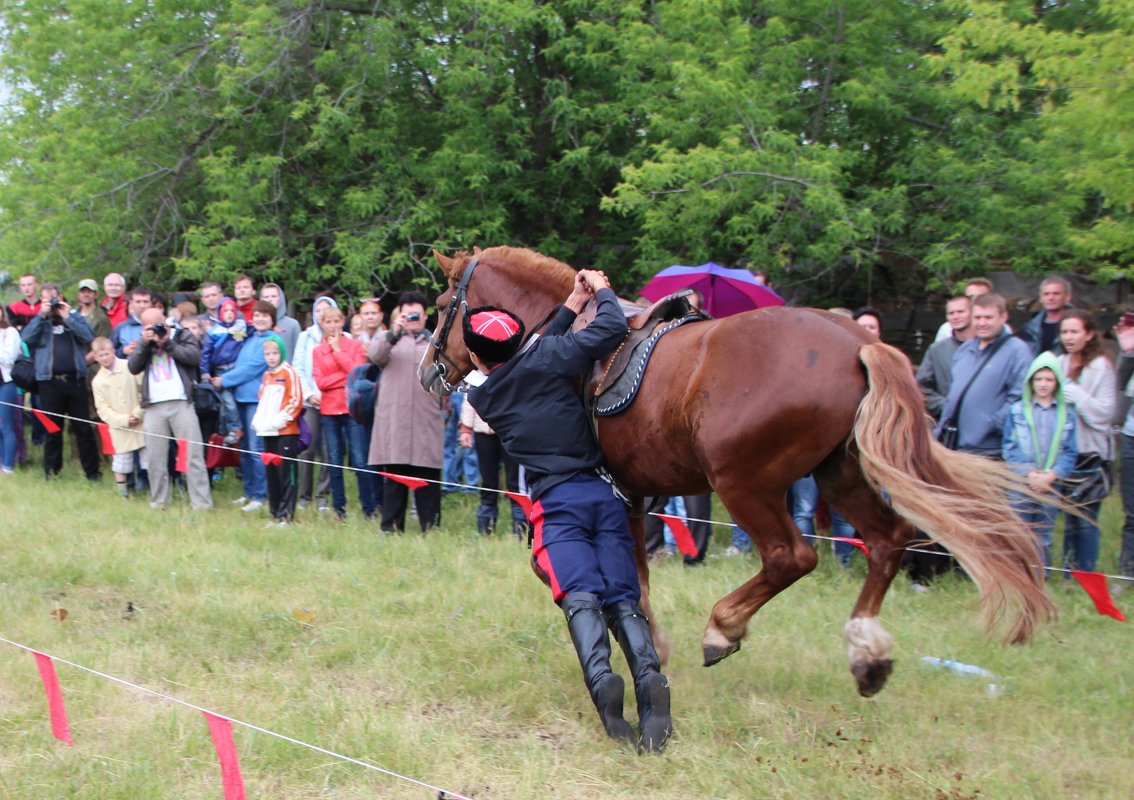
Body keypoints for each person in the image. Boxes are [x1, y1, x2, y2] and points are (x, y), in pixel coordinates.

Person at [463, 268, 671, 753]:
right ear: (523, 341)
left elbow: (529, 354)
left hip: (557, 506)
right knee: (622, 595)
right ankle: (649, 678)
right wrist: (600, 292)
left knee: (579, 593)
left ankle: (603, 684)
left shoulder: (484, 395)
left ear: (475, 356)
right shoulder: (550, 359)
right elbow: (610, 331)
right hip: (604, 496)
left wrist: (571, 306)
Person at [368, 291, 444, 532]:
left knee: (427, 480)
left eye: (416, 314)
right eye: (406, 313)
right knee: (395, 479)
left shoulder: (435, 342)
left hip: (426, 420)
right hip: (395, 422)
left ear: (425, 314)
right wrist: (394, 331)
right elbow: (374, 355)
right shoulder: (389, 339)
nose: (411, 318)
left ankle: (430, 529)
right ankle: (390, 528)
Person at [128, 308, 212, 510]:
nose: (153, 330)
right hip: (154, 406)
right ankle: (159, 502)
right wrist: (144, 345)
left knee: (193, 455)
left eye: (156, 325)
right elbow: (133, 367)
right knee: (155, 458)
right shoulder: (144, 344)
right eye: (147, 327)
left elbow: (193, 358)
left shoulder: (182, 335)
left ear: (165, 321)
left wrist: (166, 342)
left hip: (182, 402)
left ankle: (201, 503)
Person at [1002, 353, 1078, 567]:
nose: (1043, 384)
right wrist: (1029, 474)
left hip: (1051, 484)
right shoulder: (1017, 411)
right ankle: (1018, 572)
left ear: (1057, 383)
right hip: (1021, 483)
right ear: (1030, 382)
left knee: (1043, 532)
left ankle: (1039, 574)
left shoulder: (1067, 413)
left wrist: (1052, 475)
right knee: (1019, 529)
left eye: (1049, 379)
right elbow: (1009, 447)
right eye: (1038, 379)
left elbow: (1070, 451)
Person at [21, 284, 102, 481]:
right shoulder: (39, 322)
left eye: (55, 299)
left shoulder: (74, 318)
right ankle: (51, 472)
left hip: (75, 381)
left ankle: (92, 473)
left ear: (63, 298)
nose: (52, 304)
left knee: (83, 429)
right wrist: (42, 315)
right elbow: (25, 339)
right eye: (47, 300)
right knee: (52, 430)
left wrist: (67, 317)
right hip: (49, 382)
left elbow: (89, 337)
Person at [935, 293, 1032, 458]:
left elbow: (1020, 398)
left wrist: (992, 425)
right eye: (977, 317)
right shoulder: (965, 350)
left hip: (991, 448)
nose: (982, 323)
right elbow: (953, 394)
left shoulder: (1018, 351)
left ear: (1003, 317)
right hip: (955, 444)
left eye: (988, 317)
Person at [1056, 309, 1116, 572]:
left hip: (1092, 454)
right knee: (1069, 516)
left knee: (1086, 518)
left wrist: (1075, 394)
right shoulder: (1057, 363)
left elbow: (1104, 415)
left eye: (1074, 332)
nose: (1069, 337)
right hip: (1064, 454)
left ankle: (1087, 572)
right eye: (1064, 332)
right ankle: (1069, 572)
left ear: (1089, 334)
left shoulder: (1101, 366)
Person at [312, 305, 379, 520]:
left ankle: (369, 508)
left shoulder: (354, 345)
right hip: (329, 410)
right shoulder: (317, 350)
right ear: (322, 324)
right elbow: (321, 383)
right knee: (334, 460)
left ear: (343, 322)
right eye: (328, 322)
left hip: (352, 408)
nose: (332, 326)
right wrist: (342, 379)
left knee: (360, 459)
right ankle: (339, 509)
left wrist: (339, 352)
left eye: (336, 321)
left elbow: (357, 373)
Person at [214, 300, 276, 512]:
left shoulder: (272, 340)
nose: (260, 319)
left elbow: (252, 368)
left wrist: (225, 380)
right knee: (245, 449)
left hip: (257, 400)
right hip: (241, 398)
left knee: (256, 450)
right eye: (257, 315)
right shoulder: (250, 338)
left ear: (272, 319)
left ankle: (261, 495)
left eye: (265, 315)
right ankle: (249, 492)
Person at [251, 333, 303, 525]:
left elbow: (296, 400)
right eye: (267, 353)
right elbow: (262, 400)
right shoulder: (267, 375)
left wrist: (281, 420)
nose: (271, 357)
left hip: (285, 432)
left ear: (281, 352)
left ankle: (286, 514)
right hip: (267, 432)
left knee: (286, 474)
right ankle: (274, 512)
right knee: (271, 473)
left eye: (274, 353)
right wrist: (259, 419)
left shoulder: (289, 372)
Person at [293, 295, 337, 510]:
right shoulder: (305, 336)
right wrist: (309, 394)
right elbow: (298, 368)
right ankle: (304, 497)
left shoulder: (343, 338)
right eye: (318, 310)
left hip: (333, 401)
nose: (322, 314)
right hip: (310, 400)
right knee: (306, 449)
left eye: (326, 309)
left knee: (329, 451)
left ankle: (323, 497)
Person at [459, 398, 524, 536]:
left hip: (511, 429)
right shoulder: (476, 374)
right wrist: (466, 428)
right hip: (483, 430)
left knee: (515, 483)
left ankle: (520, 530)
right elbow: (470, 398)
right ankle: (485, 530)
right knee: (488, 483)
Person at [90, 337, 146, 497]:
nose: (104, 358)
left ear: (113, 352)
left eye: (107, 354)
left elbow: (143, 390)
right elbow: (102, 409)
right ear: (95, 357)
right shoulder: (98, 381)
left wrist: (137, 413)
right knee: (121, 463)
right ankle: (124, 494)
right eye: (100, 356)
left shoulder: (129, 366)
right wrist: (123, 420)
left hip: (141, 421)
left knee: (149, 459)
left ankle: (151, 489)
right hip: (119, 427)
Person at [917, 295, 974, 421]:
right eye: (951, 313)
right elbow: (921, 387)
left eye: (960, 312)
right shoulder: (936, 350)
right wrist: (947, 406)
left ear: (972, 312)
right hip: (947, 423)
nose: (955, 316)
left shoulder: (986, 347)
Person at [200, 298, 247, 444]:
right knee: (227, 403)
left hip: (237, 369)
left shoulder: (241, 327)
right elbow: (206, 353)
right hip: (221, 372)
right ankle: (231, 430)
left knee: (233, 405)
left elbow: (252, 333)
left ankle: (231, 432)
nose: (229, 314)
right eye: (225, 311)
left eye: (232, 310)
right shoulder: (214, 331)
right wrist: (205, 372)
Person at [1115, 318, 1134, 587]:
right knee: (1132, 512)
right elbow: (1119, 383)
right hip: (1132, 435)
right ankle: (1128, 573)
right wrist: (1128, 352)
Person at [1018, 275, 1073, 357]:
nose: (1050, 298)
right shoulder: (1029, 328)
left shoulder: (1077, 326)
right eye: (1046, 294)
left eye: (1056, 294)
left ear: (1067, 297)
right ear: (1041, 298)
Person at [933, 278, 995, 343]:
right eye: (971, 297)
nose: (975, 300)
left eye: (980, 297)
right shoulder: (947, 329)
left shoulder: (999, 327)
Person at [443, 391, 480, 494]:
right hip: (448, 395)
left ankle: (471, 486)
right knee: (447, 442)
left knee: (468, 444)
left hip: (466, 393)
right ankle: (449, 484)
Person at [0, 304, 22, 473]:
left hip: (6, 383)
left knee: (6, 426)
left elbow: (9, 359)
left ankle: (8, 466)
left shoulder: (11, 332)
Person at [259, 282, 301, 361]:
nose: (270, 299)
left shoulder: (292, 325)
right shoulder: (257, 326)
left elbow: (298, 354)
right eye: (266, 297)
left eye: (273, 296)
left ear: (280, 298)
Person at [110, 287, 154, 358]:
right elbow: (109, 354)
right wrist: (123, 351)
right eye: (138, 302)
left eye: (145, 302)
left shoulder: (160, 325)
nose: (142, 306)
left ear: (151, 303)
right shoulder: (120, 328)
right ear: (131, 303)